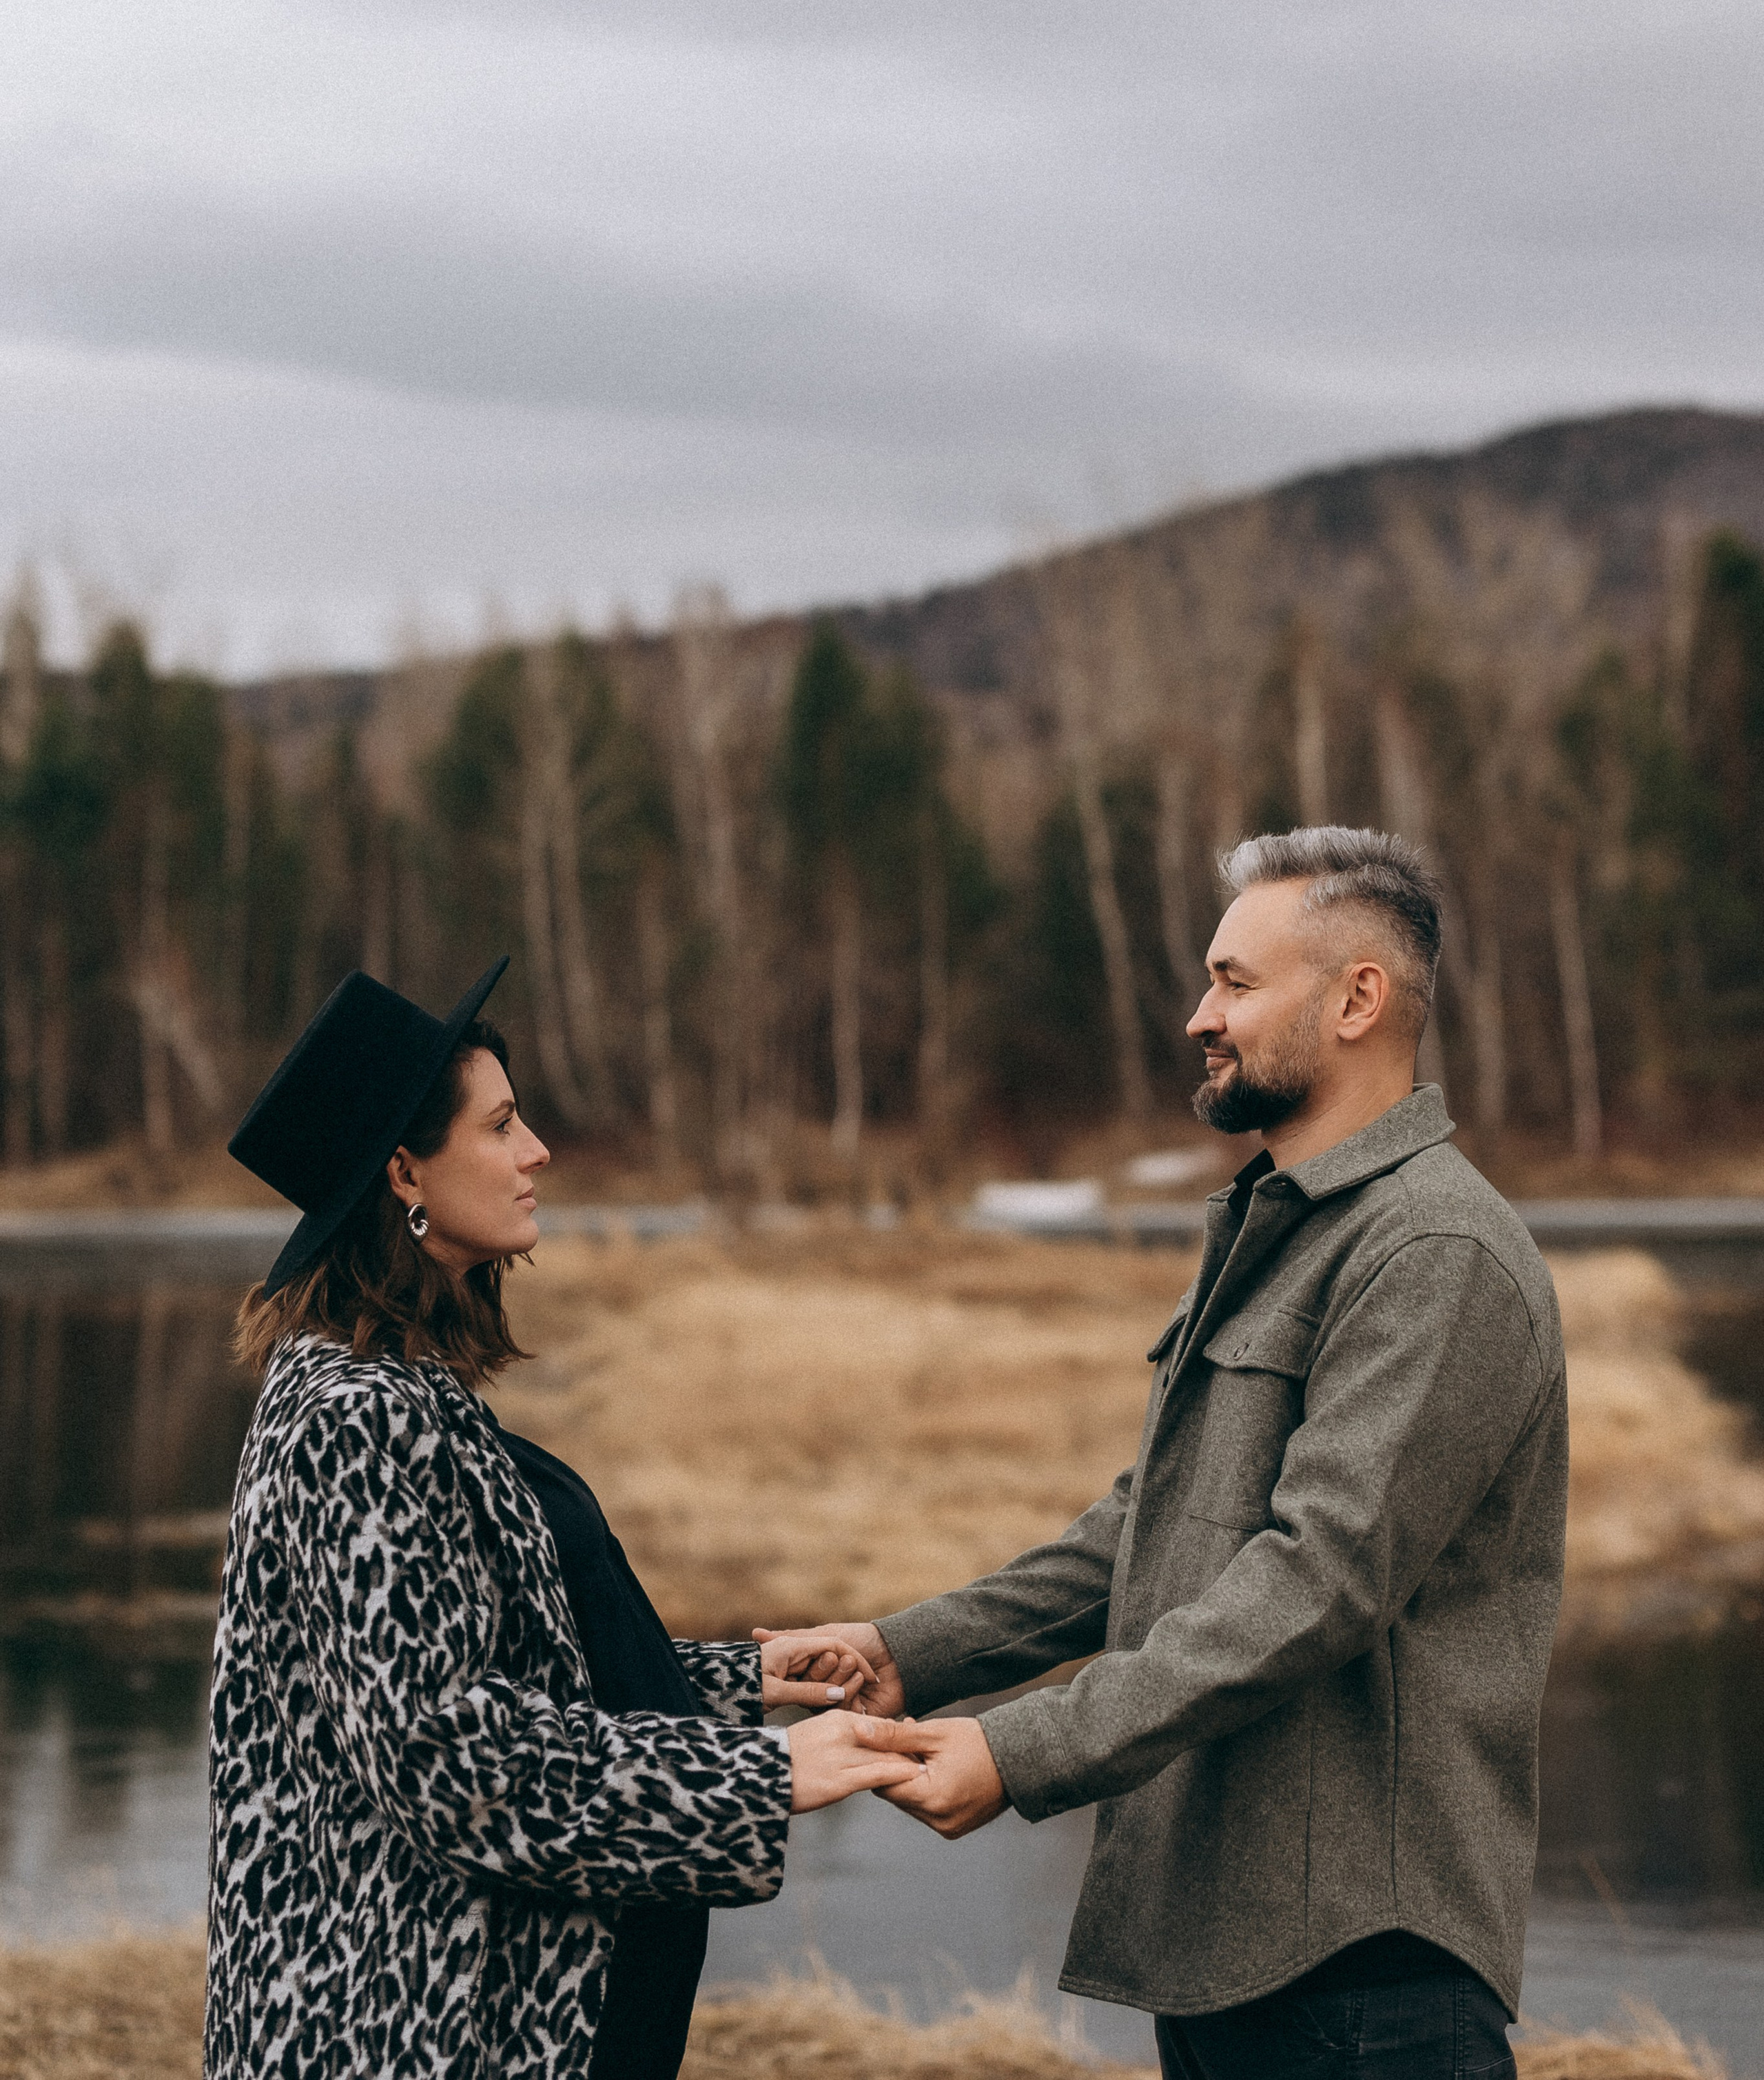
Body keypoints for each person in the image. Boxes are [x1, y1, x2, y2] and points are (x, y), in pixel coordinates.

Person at [763, 827, 1568, 2080]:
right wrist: (907, 1652)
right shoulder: (1286, 1227)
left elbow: (1314, 1583)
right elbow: (1150, 1527)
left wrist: (1018, 1756)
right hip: (1235, 1947)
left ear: (1359, 999)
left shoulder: (1433, 1251)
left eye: (1237, 981)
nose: (1202, 1015)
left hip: (1362, 1975)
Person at [205, 957, 919, 2080]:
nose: (537, 1150)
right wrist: (768, 1778)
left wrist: (743, 1681)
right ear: (406, 1171)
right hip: (398, 2030)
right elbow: (453, 1760)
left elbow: (499, 1661)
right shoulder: (356, 1416)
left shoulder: (397, 1387)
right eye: (501, 1125)